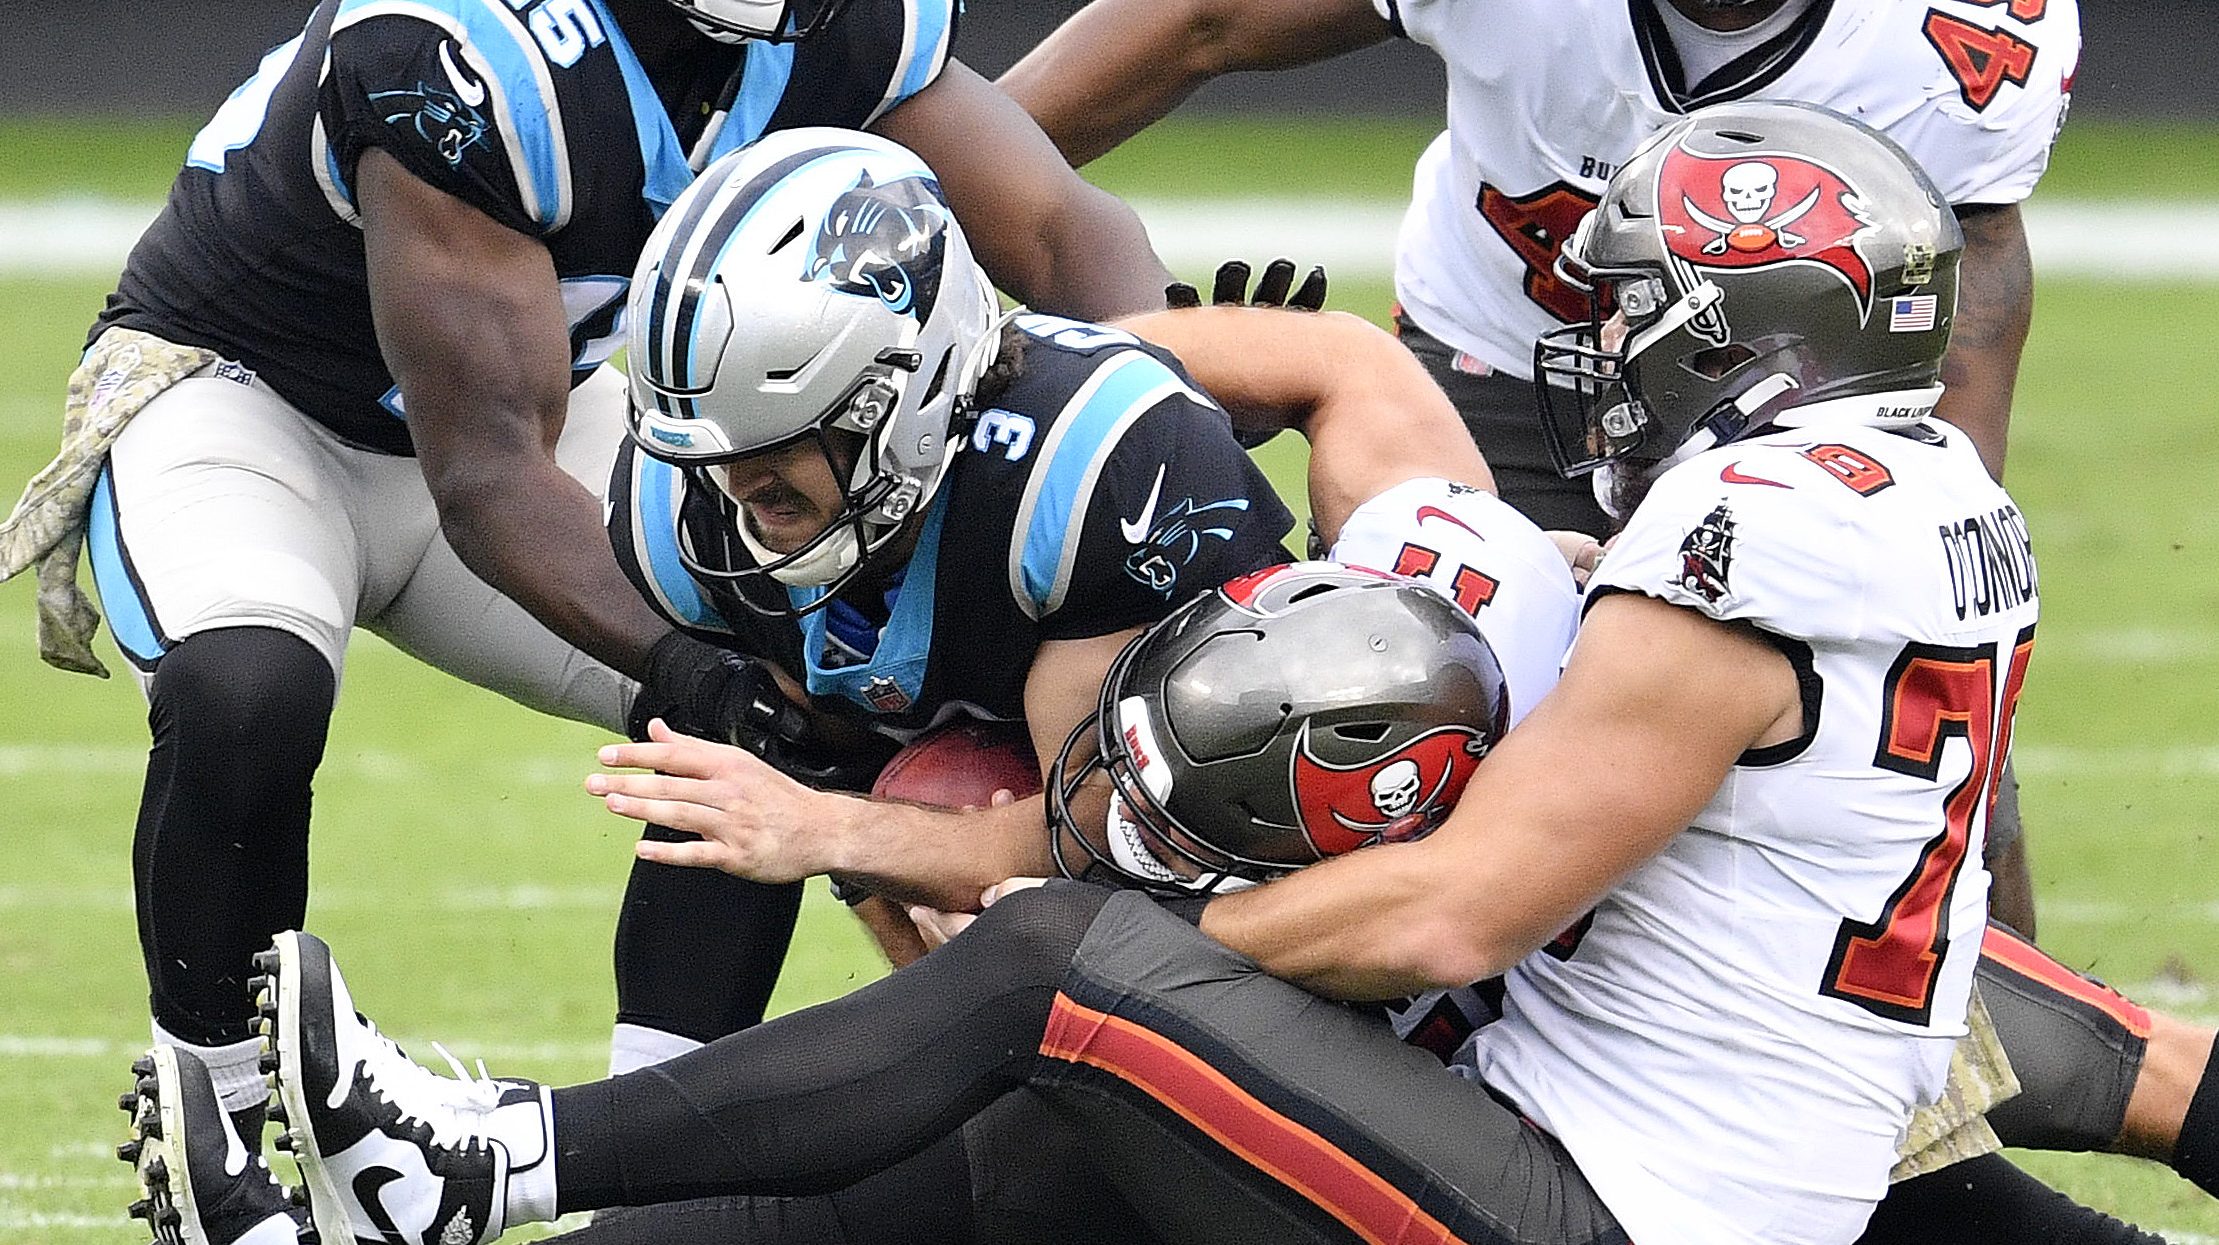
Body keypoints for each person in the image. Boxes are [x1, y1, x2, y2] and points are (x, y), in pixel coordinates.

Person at [119, 103, 2218, 1245]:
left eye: (1631, 307)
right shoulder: (1899, 503)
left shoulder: (1701, 556)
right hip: (1760, 1118)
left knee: (1055, 986)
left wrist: (1143, 903)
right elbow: (2111, 1052)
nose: (1585, 345)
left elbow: (1453, 900)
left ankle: (482, 1162)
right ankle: (478, 1185)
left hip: (1622, 1197)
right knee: (1034, 1138)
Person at [0, 0, 1177, 1140]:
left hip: (530, 410)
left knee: (781, 696)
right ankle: (212, 1122)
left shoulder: (841, 24)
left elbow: (1066, 229)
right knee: (245, 692)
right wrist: (690, 667)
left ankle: (648, 1156)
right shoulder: (458, 49)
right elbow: (490, 483)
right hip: (251, 405)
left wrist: (1166, 400)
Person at [997, 0, 2075, 939]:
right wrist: (938, 182)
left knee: (1912, 778)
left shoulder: (1956, 37)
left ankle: (1970, 1089)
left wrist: (1913, 557)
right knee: (1380, 714)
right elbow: (1202, 21)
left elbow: (1965, 287)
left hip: (1778, 407)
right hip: (1496, 371)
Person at [601, 125, 1297, 971]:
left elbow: (1103, 829)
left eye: (779, 442)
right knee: (732, 743)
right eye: (710, 455)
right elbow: (821, 770)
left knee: (1023, 919)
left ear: (910, 391)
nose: (741, 488)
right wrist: (841, 823)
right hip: (1018, 783)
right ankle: (647, 1070)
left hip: (1216, 823)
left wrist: (835, 832)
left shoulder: (1078, 468)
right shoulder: (682, 511)